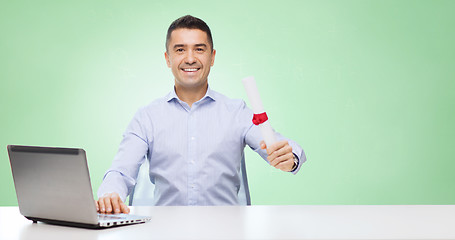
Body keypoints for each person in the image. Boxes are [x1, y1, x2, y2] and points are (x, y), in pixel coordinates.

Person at [96, 15, 306, 214]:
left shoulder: (236, 112)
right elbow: (121, 172)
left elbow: (278, 145)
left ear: (212, 57)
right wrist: (110, 195)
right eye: (180, 50)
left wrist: (290, 158)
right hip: (164, 231)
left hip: (226, 231)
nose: (190, 58)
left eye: (199, 49)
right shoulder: (147, 118)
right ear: (168, 59)